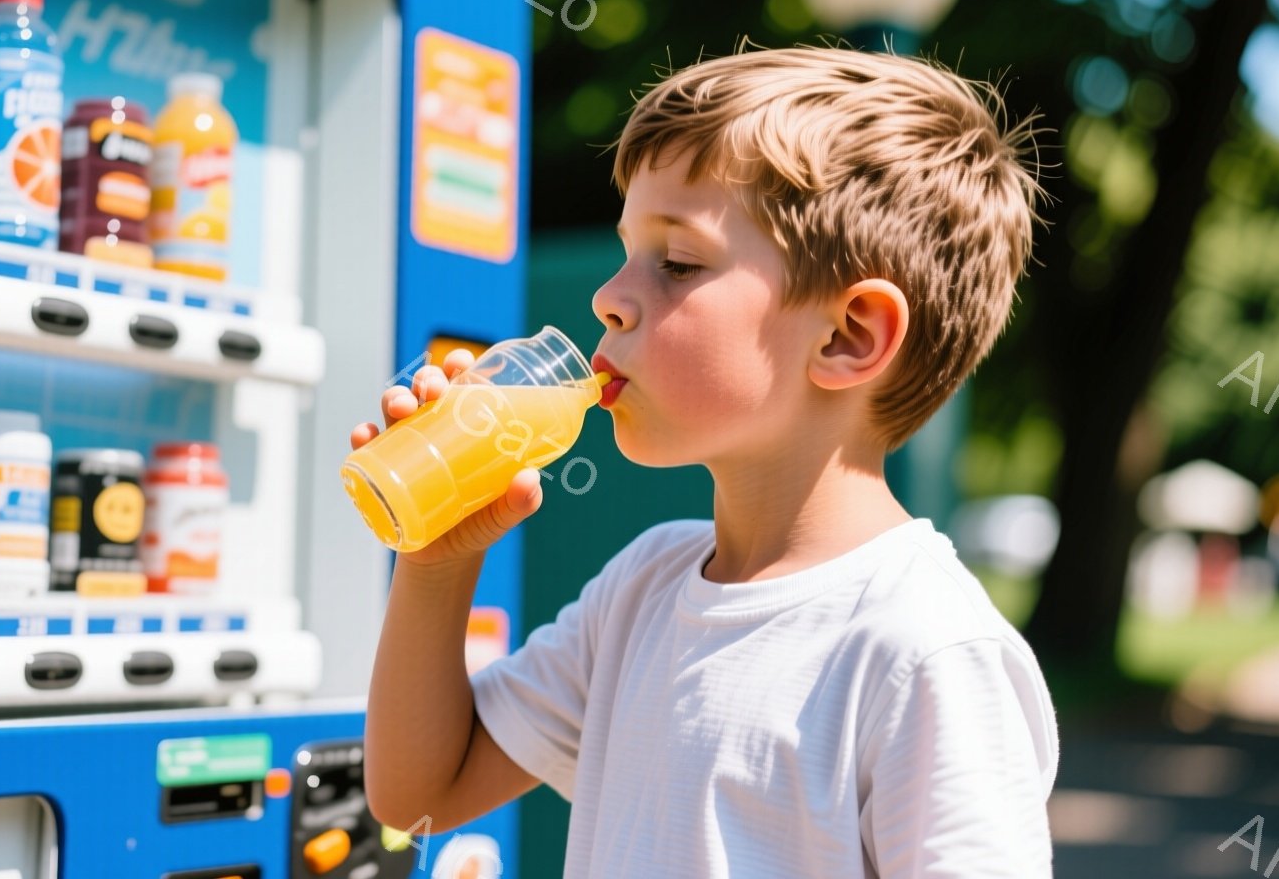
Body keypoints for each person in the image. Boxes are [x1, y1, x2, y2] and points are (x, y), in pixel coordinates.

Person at [355, 45, 1058, 878]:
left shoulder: (922, 648)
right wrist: (440, 562)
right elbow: (420, 796)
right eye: (624, 254)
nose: (608, 298)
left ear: (848, 336)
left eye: (677, 263)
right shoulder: (643, 587)